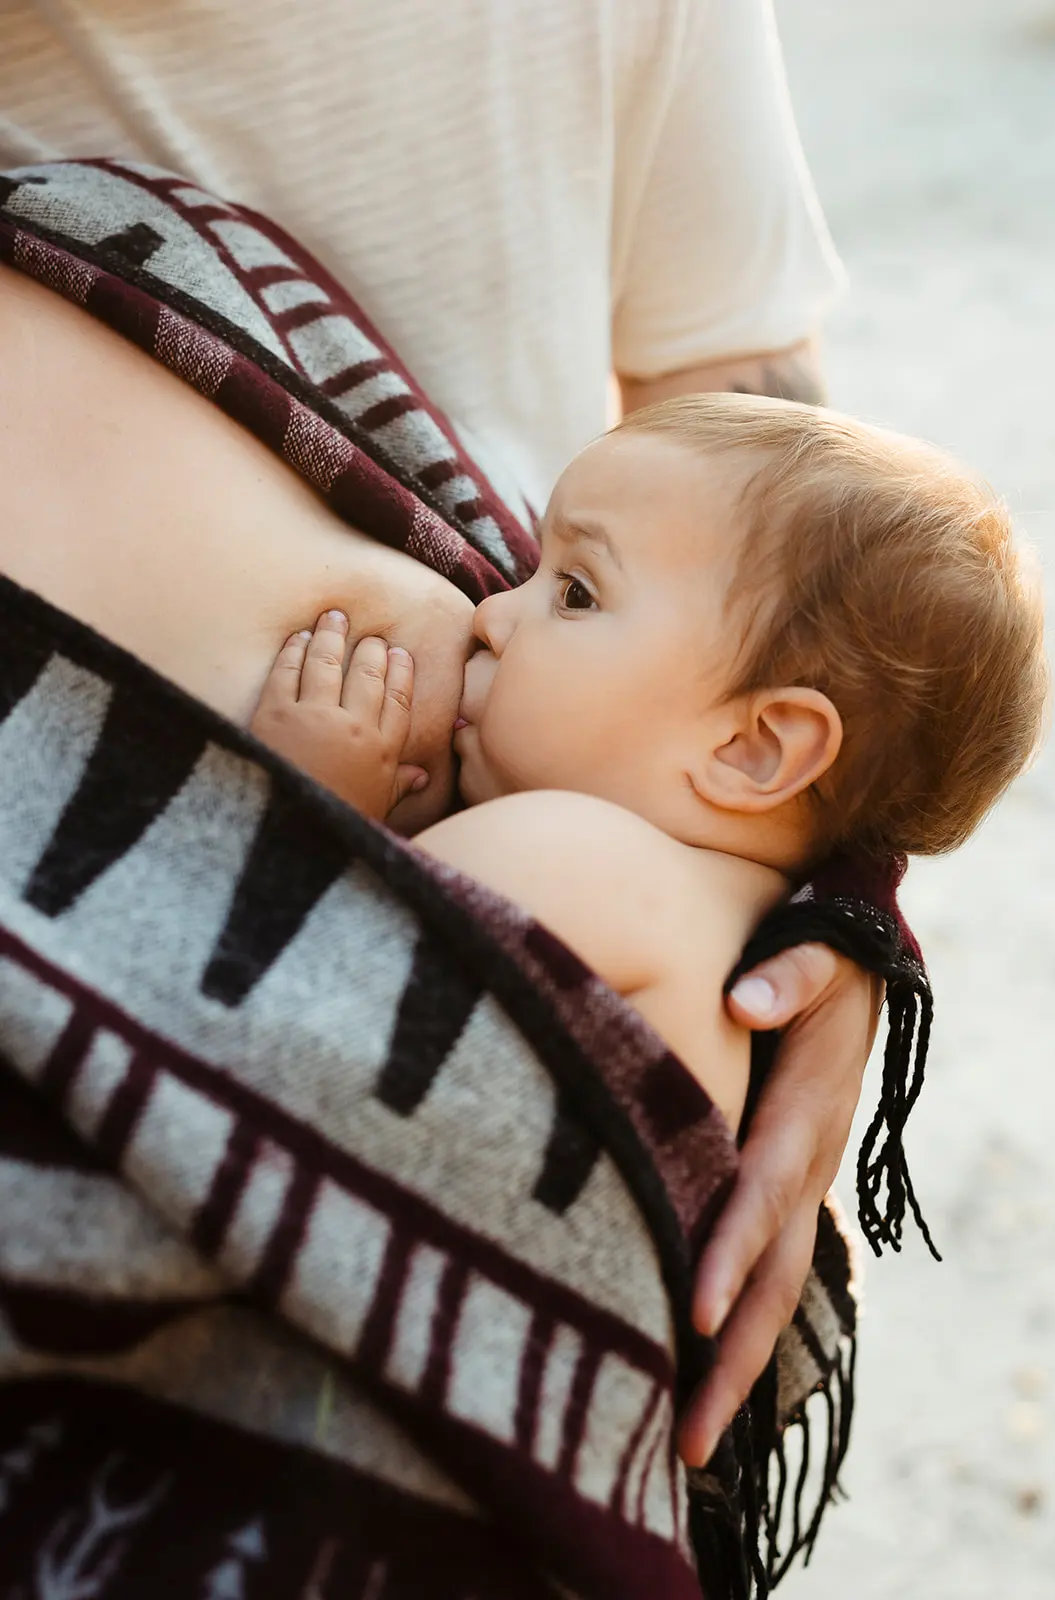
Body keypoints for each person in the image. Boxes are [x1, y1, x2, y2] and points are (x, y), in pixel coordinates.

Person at [0, 0, 875, 1459]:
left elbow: (758, 431)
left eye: (567, 589)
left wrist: (829, 881)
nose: (500, 617)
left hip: (412, 927)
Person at [248, 391, 1046, 1448]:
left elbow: (271, 1009)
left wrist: (305, 802)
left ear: (751, 751)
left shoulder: (572, 855)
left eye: (573, 592)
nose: (491, 613)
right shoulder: (725, 922)